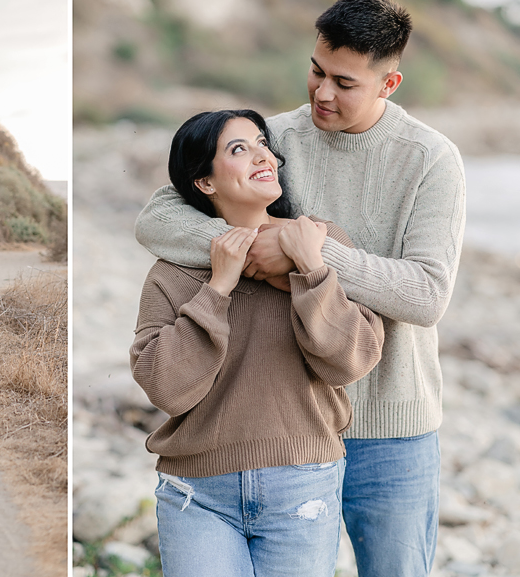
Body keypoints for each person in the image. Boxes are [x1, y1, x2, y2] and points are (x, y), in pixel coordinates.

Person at [135, 0, 466, 575]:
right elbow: (158, 219)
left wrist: (314, 257)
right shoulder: (272, 139)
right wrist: (263, 247)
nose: (321, 92)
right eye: (316, 70)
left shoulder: (431, 159)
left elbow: (426, 294)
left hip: (392, 423)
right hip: (288, 421)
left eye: (344, 83)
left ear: (388, 85)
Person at [132, 109, 383, 577]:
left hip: (303, 483)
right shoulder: (173, 272)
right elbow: (165, 387)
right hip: (196, 494)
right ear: (205, 183)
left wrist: (312, 270)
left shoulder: (321, 242)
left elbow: (351, 361)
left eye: (261, 143)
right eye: (238, 149)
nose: (262, 155)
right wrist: (217, 290)